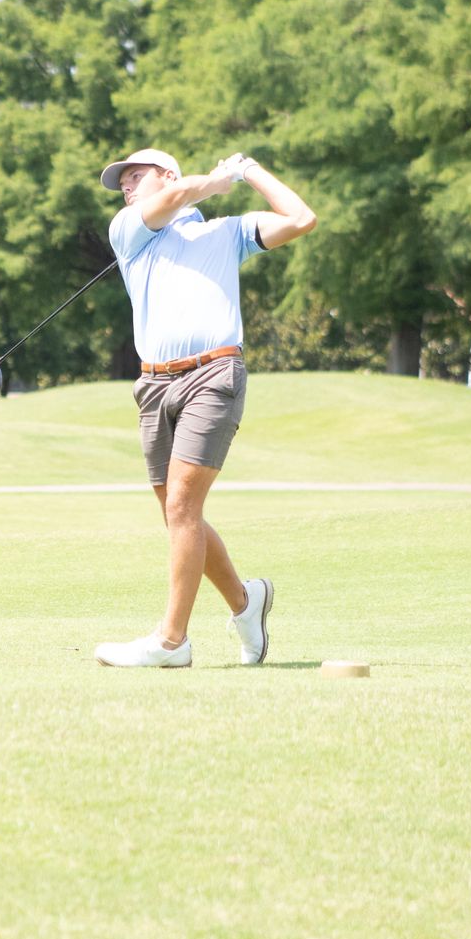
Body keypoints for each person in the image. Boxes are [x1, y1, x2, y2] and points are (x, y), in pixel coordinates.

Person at [92, 147, 317, 667]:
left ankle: (172, 642)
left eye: (136, 176)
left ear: (167, 173)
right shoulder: (128, 230)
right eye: (122, 183)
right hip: (153, 384)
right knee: (177, 513)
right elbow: (176, 198)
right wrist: (214, 182)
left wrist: (249, 170)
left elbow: (301, 218)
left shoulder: (227, 232)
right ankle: (245, 601)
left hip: (214, 375)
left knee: (182, 508)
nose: (126, 187)